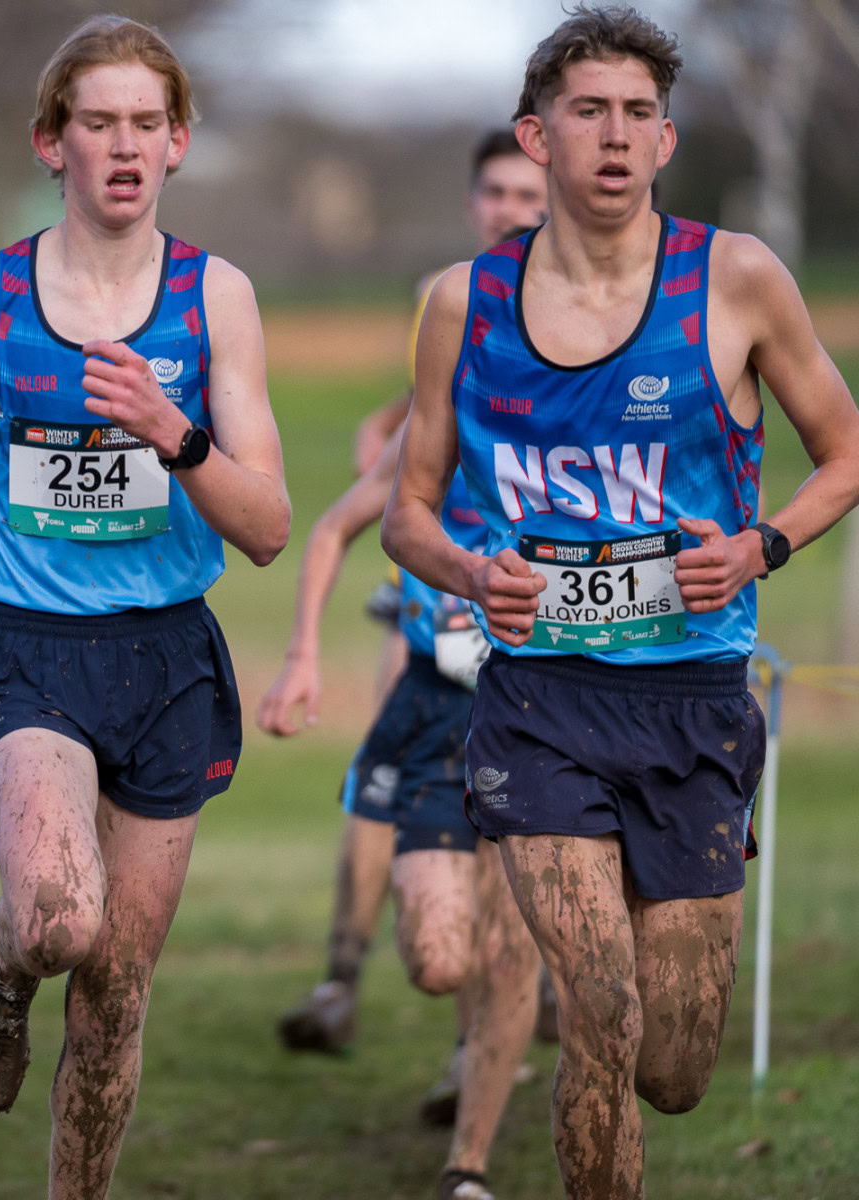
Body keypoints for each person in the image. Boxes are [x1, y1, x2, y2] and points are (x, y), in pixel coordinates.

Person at [382, 8, 859, 1198]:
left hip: (695, 704)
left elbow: (845, 453)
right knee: (600, 1005)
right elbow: (409, 515)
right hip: (539, 701)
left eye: (638, 114)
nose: (615, 136)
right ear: (534, 137)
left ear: (666, 137)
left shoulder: (736, 278)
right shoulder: (463, 302)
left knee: (674, 1062)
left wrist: (763, 544)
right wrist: (471, 571)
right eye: (588, 111)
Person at [0, 16, 289, 1198]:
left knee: (114, 996)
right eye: (96, 122)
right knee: (59, 917)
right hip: (33, 655)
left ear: (180, 143)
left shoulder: (220, 301)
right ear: (50, 142)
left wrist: (176, 434)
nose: (123, 145)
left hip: (169, 663)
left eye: (145, 123)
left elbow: (265, 528)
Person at [259, 139, 547, 1200]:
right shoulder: (454, 327)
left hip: (555, 702)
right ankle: (373, 983)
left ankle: (468, 1159)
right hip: (440, 691)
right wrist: (300, 658)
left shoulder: (602, 378)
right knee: (441, 954)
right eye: (502, 195)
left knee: (517, 933)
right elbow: (344, 520)